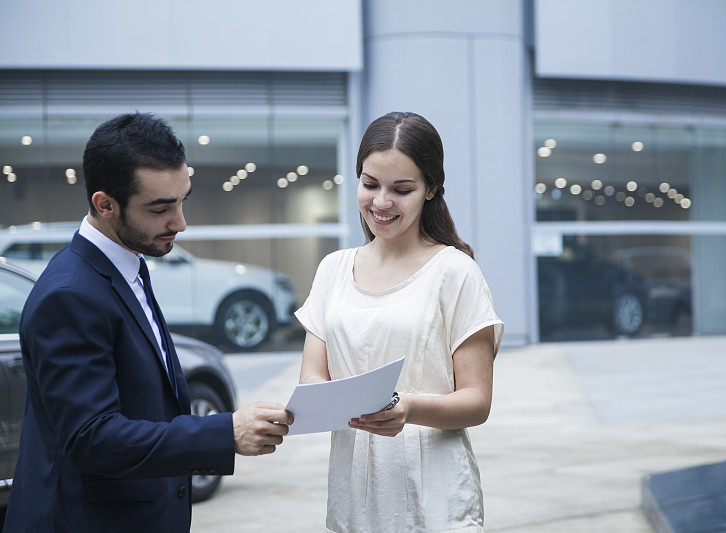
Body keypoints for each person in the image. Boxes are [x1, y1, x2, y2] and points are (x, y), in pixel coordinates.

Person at [4, 112, 293, 532]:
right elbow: (92, 438)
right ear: (105, 205)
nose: (180, 222)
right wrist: (223, 433)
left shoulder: (128, 263)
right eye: (160, 208)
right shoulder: (69, 296)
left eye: (182, 200)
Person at [295, 111, 504, 532]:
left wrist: (406, 408)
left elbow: (477, 402)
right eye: (370, 184)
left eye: (401, 189)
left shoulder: (455, 272)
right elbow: (313, 381)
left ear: (432, 189)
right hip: (354, 494)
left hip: (435, 493)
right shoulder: (333, 270)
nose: (382, 202)